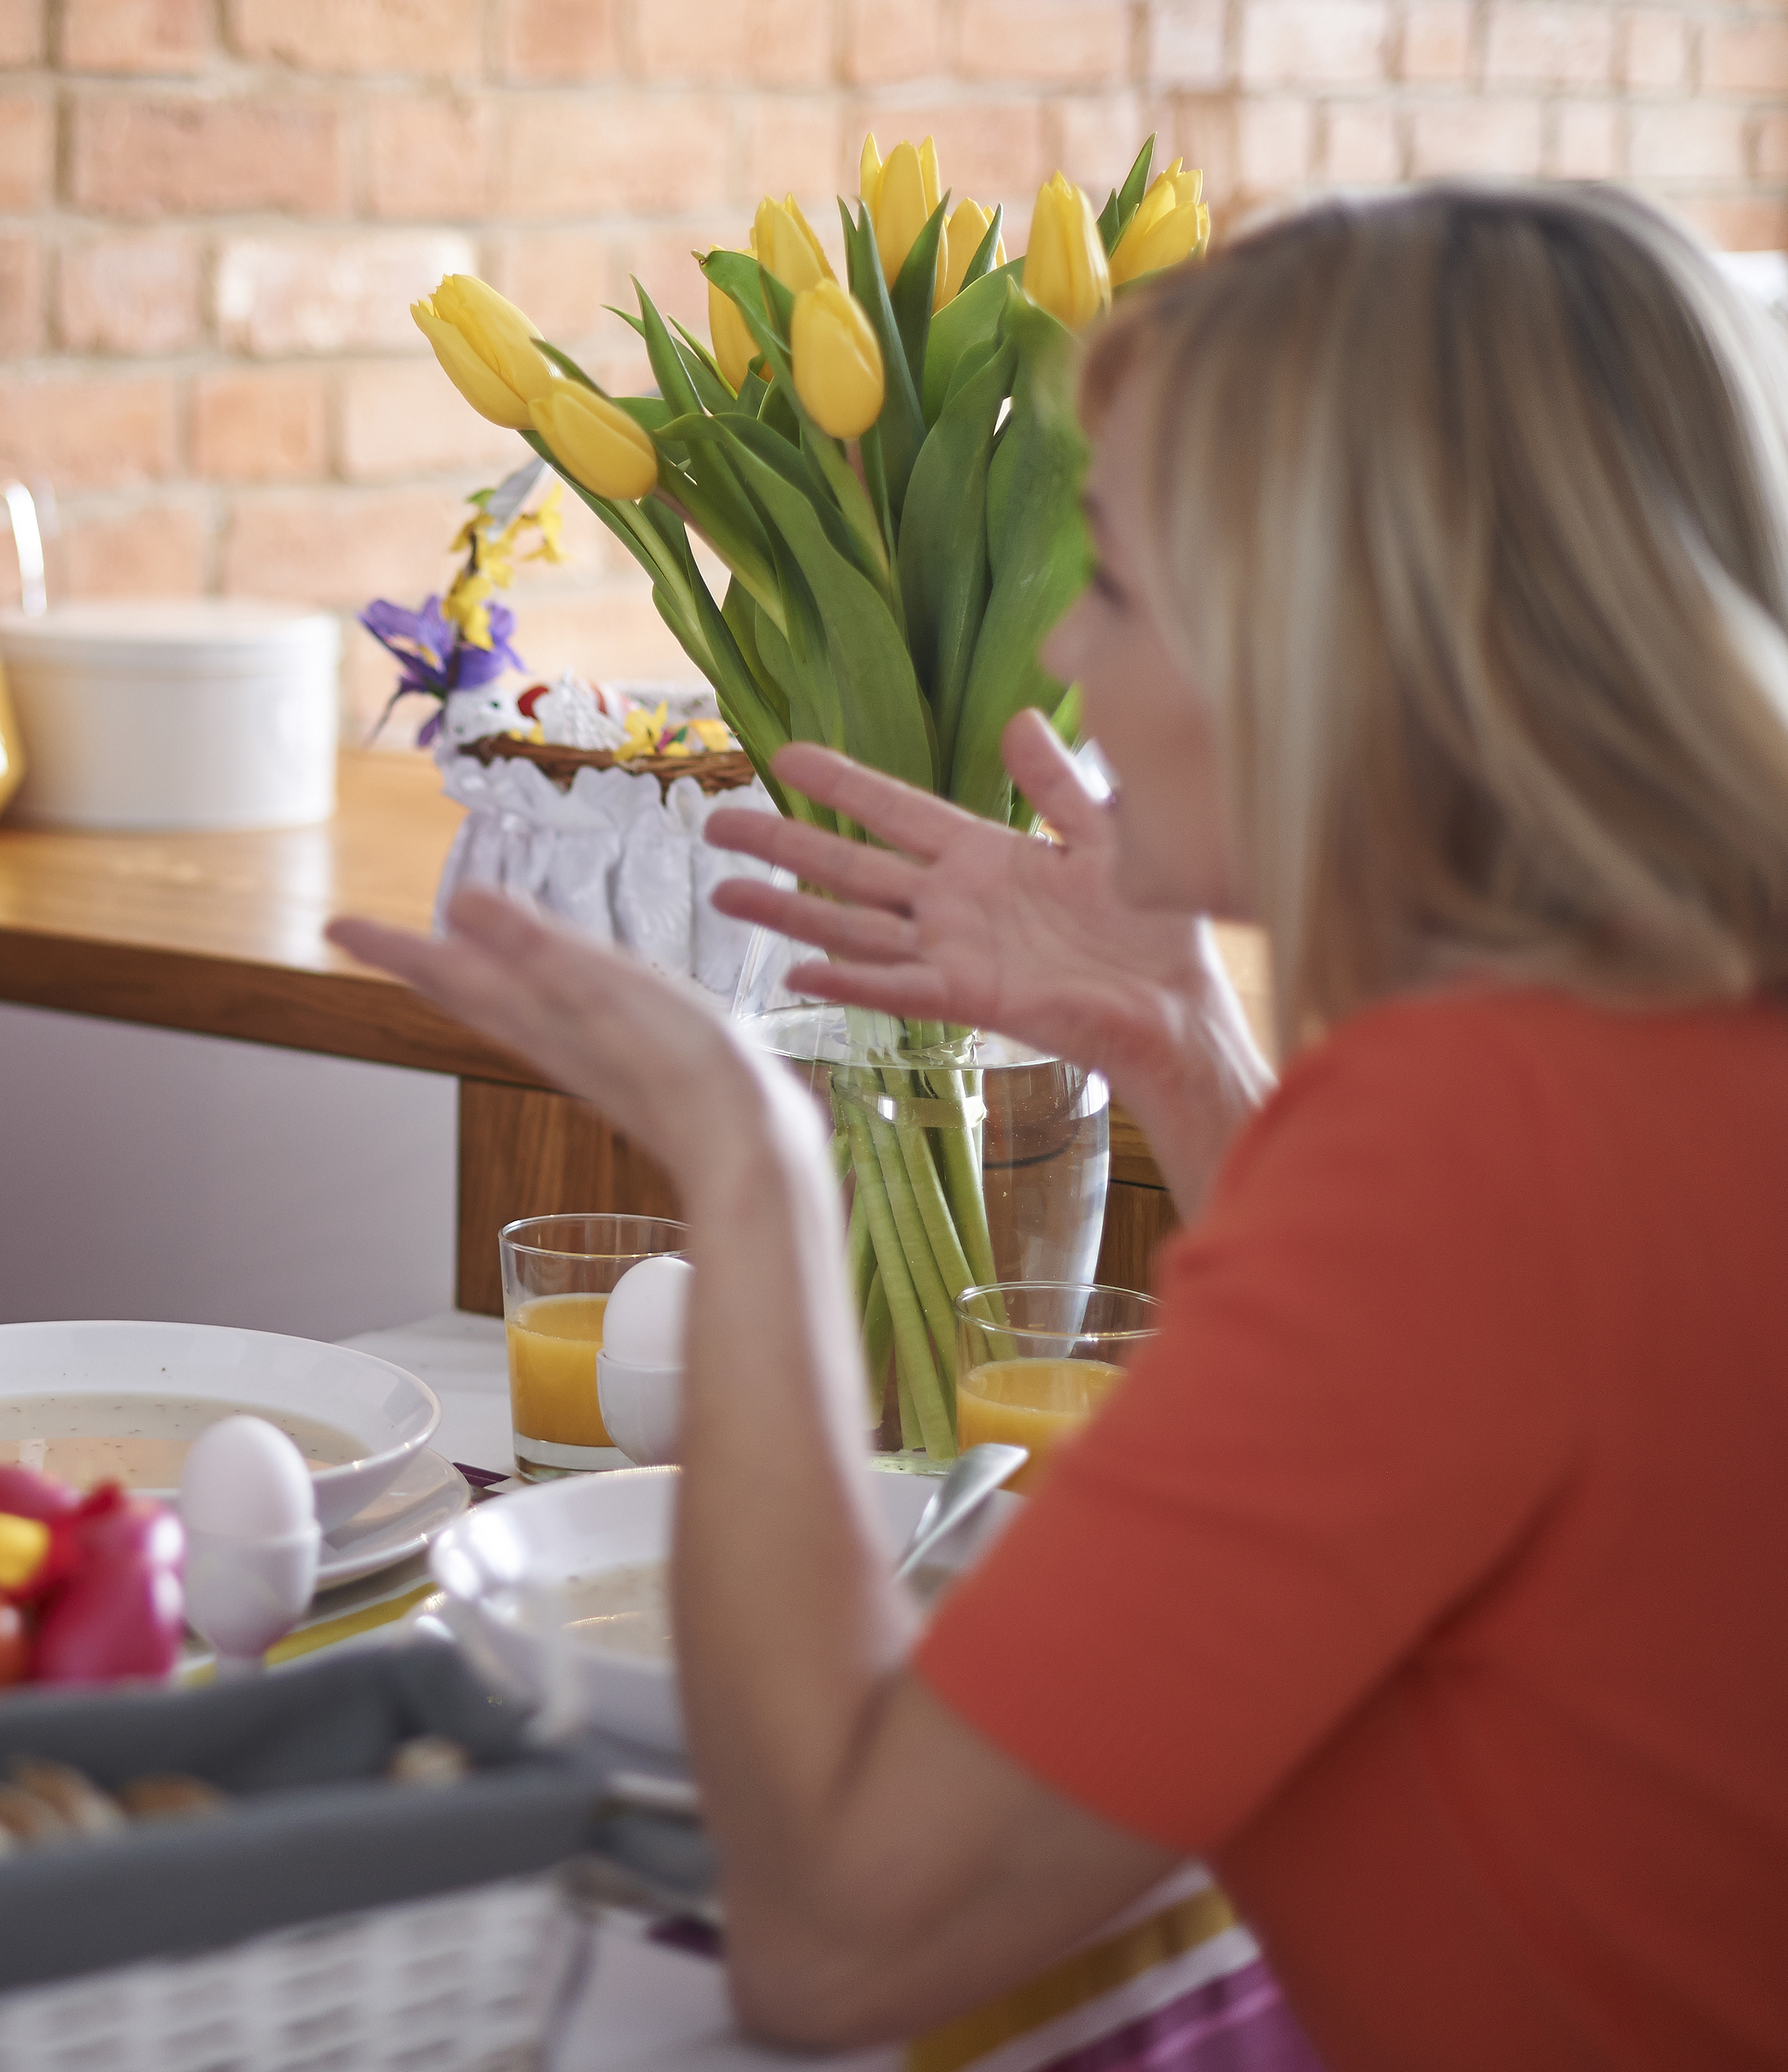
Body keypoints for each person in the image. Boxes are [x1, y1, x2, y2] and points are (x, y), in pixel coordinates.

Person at [335, 182, 1788, 2070]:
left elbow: (837, 1936)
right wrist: (1183, 1041)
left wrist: (756, 1170)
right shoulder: (1652, 1047)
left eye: (1115, 579)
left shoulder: (1464, 1141)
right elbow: (1467, 1393)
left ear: (1330, 636)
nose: (1078, 667)